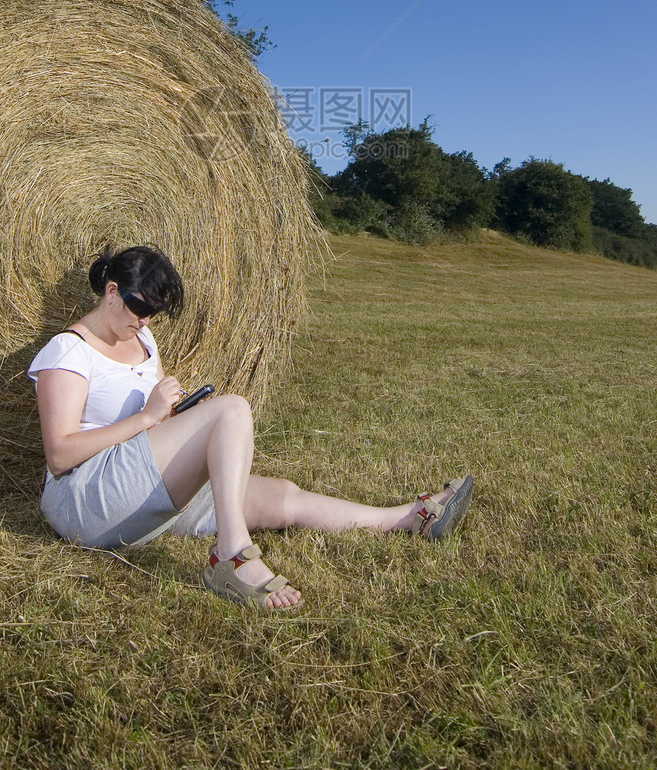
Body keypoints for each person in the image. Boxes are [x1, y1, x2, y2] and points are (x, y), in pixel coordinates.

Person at [29, 245, 474, 610]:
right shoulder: (69, 351)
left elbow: (155, 431)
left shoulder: (142, 339)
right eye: (139, 307)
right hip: (85, 503)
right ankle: (231, 557)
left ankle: (406, 519)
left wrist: (171, 420)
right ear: (111, 291)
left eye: (154, 313)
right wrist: (145, 419)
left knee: (281, 493)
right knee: (232, 409)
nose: (144, 321)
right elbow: (61, 454)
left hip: (139, 488)